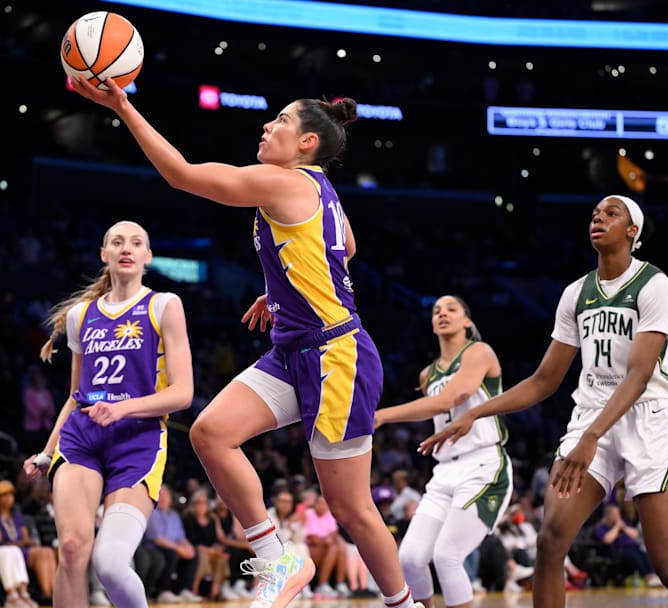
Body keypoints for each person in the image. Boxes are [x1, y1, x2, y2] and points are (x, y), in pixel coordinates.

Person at [70, 66, 419, 608]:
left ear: (306, 142)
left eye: (280, 120)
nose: (266, 126)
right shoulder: (318, 188)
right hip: (292, 348)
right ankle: (278, 559)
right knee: (210, 433)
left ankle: (406, 605)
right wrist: (281, 288)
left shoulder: (281, 180)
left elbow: (182, 175)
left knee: (350, 508)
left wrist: (122, 107)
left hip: (336, 355)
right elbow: (344, 246)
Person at [420, 196, 668, 608]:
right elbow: (544, 380)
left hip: (646, 419)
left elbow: (638, 376)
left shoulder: (655, 284)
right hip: (589, 419)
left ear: (632, 231)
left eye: (612, 213)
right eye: (595, 214)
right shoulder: (575, 294)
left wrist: (592, 437)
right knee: (549, 544)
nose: (599, 217)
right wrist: (476, 411)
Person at [23, 220, 194, 608]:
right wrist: (47, 453)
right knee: (70, 548)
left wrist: (121, 409)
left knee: (111, 564)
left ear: (148, 256)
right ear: (105, 254)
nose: (127, 248)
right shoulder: (80, 316)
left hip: (138, 441)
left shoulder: (164, 305)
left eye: (136, 243)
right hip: (82, 439)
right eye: (117, 242)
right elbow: (73, 396)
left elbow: (183, 394)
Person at [373, 294, 511, 608]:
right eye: (436, 311)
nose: (442, 314)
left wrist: (382, 415)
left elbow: (451, 398)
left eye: (451, 309)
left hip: (483, 464)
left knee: (447, 556)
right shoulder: (427, 375)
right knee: (409, 558)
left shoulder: (479, 352)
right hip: (445, 471)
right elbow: (431, 409)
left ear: (467, 321)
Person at [0, 480, 58, 600]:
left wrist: (29, 542)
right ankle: (46, 593)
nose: (10, 498)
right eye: (5, 495)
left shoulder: (17, 516)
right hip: (9, 552)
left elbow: (25, 538)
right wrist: (23, 543)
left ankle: (54, 592)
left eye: (11, 495)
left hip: (24, 550)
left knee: (47, 551)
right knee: (41, 553)